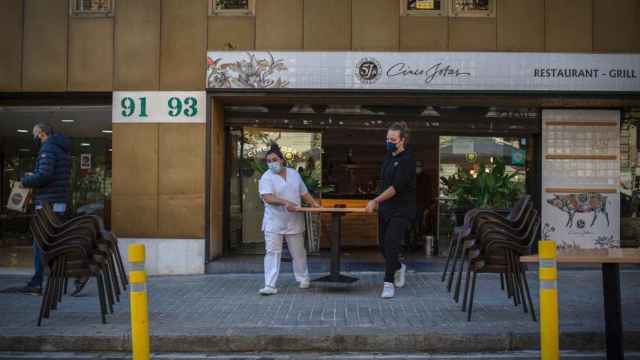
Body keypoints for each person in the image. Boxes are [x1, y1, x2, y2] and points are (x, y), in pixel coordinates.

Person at [14, 123, 75, 295]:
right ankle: (47, 277)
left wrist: (26, 180)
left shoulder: (48, 149)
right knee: (53, 241)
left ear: (41, 134)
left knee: (40, 242)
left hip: (48, 202)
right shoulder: (61, 149)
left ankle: (38, 281)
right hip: (58, 201)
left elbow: (45, 175)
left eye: (36, 137)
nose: (36, 140)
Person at [258, 144, 321, 295]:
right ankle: (270, 285)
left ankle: (303, 278)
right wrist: (286, 202)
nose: (271, 163)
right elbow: (267, 197)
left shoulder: (294, 174)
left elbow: (304, 193)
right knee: (273, 252)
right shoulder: (266, 177)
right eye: (268, 161)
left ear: (282, 160)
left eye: (274, 159)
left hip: (294, 220)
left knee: (298, 251)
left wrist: (314, 205)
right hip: (274, 221)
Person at [365, 122, 417, 299]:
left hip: (402, 209)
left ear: (402, 140)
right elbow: (383, 184)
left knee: (392, 242)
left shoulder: (407, 161)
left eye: (392, 139)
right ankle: (397, 267)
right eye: (387, 138)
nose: (388, 142)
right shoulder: (388, 158)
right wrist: (378, 201)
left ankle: (388, 283)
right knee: (383, 246)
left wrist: (375, 200)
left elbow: (395, 188)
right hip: (386, 209)